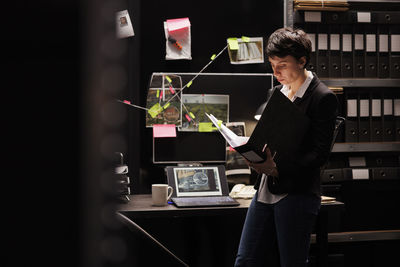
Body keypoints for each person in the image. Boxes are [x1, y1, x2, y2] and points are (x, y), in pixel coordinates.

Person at [234, 27, 339, 267]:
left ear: (302, 61)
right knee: (245, 261)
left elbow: (319, 155)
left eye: (282, 64)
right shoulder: (276, 93)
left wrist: (278, 169)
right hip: (264, 192)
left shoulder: (322, 97)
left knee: (292, 262)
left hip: (296, 194)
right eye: (272, 64)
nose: (275, 71)